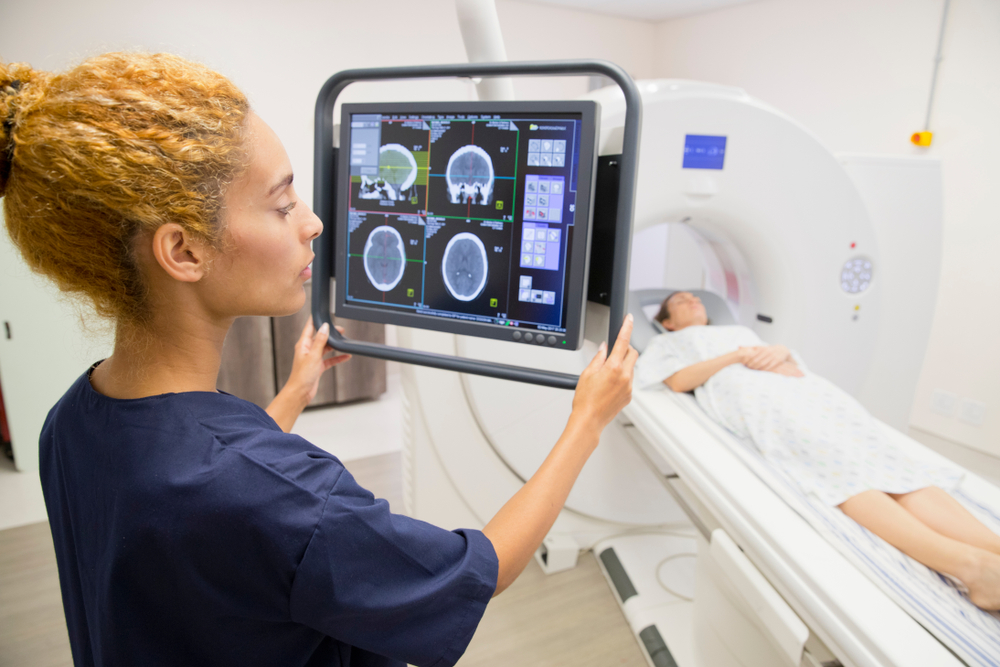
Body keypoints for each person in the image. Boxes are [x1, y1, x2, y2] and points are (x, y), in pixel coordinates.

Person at [0, 53, 638, 666]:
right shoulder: (292, 502)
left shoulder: (70, 423)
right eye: (281, 205)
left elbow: (200, 510)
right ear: (184, 252)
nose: (314, 224)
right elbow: (485, 567)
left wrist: (296, 390)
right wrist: (588, 419)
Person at [636, 291, 1000, 610]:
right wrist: (736, 357)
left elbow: (787, 362)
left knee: (883, 457)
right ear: (667, 322)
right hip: (752, 395)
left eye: (695, 297)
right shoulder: (669, 344)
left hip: (809, 391)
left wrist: (781, 351)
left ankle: (993, 547)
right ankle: (969, 566)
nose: (693, 300)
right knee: (836, 464)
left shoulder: (740, 332)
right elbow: (680, 380)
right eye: (681, 301)